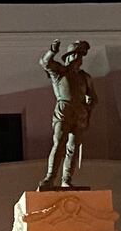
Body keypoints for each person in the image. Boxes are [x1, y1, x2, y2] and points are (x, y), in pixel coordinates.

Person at [38, 39, 97, 191]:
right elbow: (45, 62)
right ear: (69, 57)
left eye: (81, 56)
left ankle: (67, 179)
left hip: (80, 112)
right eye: (77, 55)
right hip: (64, 109)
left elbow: (94, 97)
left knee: (72, 148)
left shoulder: (85, 77)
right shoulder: (59, 72)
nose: (79, 59)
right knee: (59, 142)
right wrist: (52, 51)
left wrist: (90, 101)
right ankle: (50, 177)